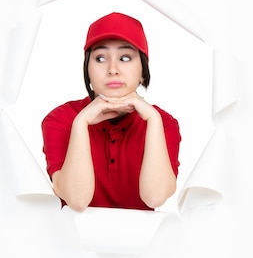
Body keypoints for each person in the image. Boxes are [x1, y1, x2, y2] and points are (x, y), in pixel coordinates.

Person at [41, 12, 181, 211]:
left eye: (125, 58)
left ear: (143, 72)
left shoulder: (163, 122)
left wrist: (153, 120)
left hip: (143, 239)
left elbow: (155, 198)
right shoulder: (60, 120)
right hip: (72, 239)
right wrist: (81, 124)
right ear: (87, 70)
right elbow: (77, 201)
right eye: (100, 58)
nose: (112, 69)